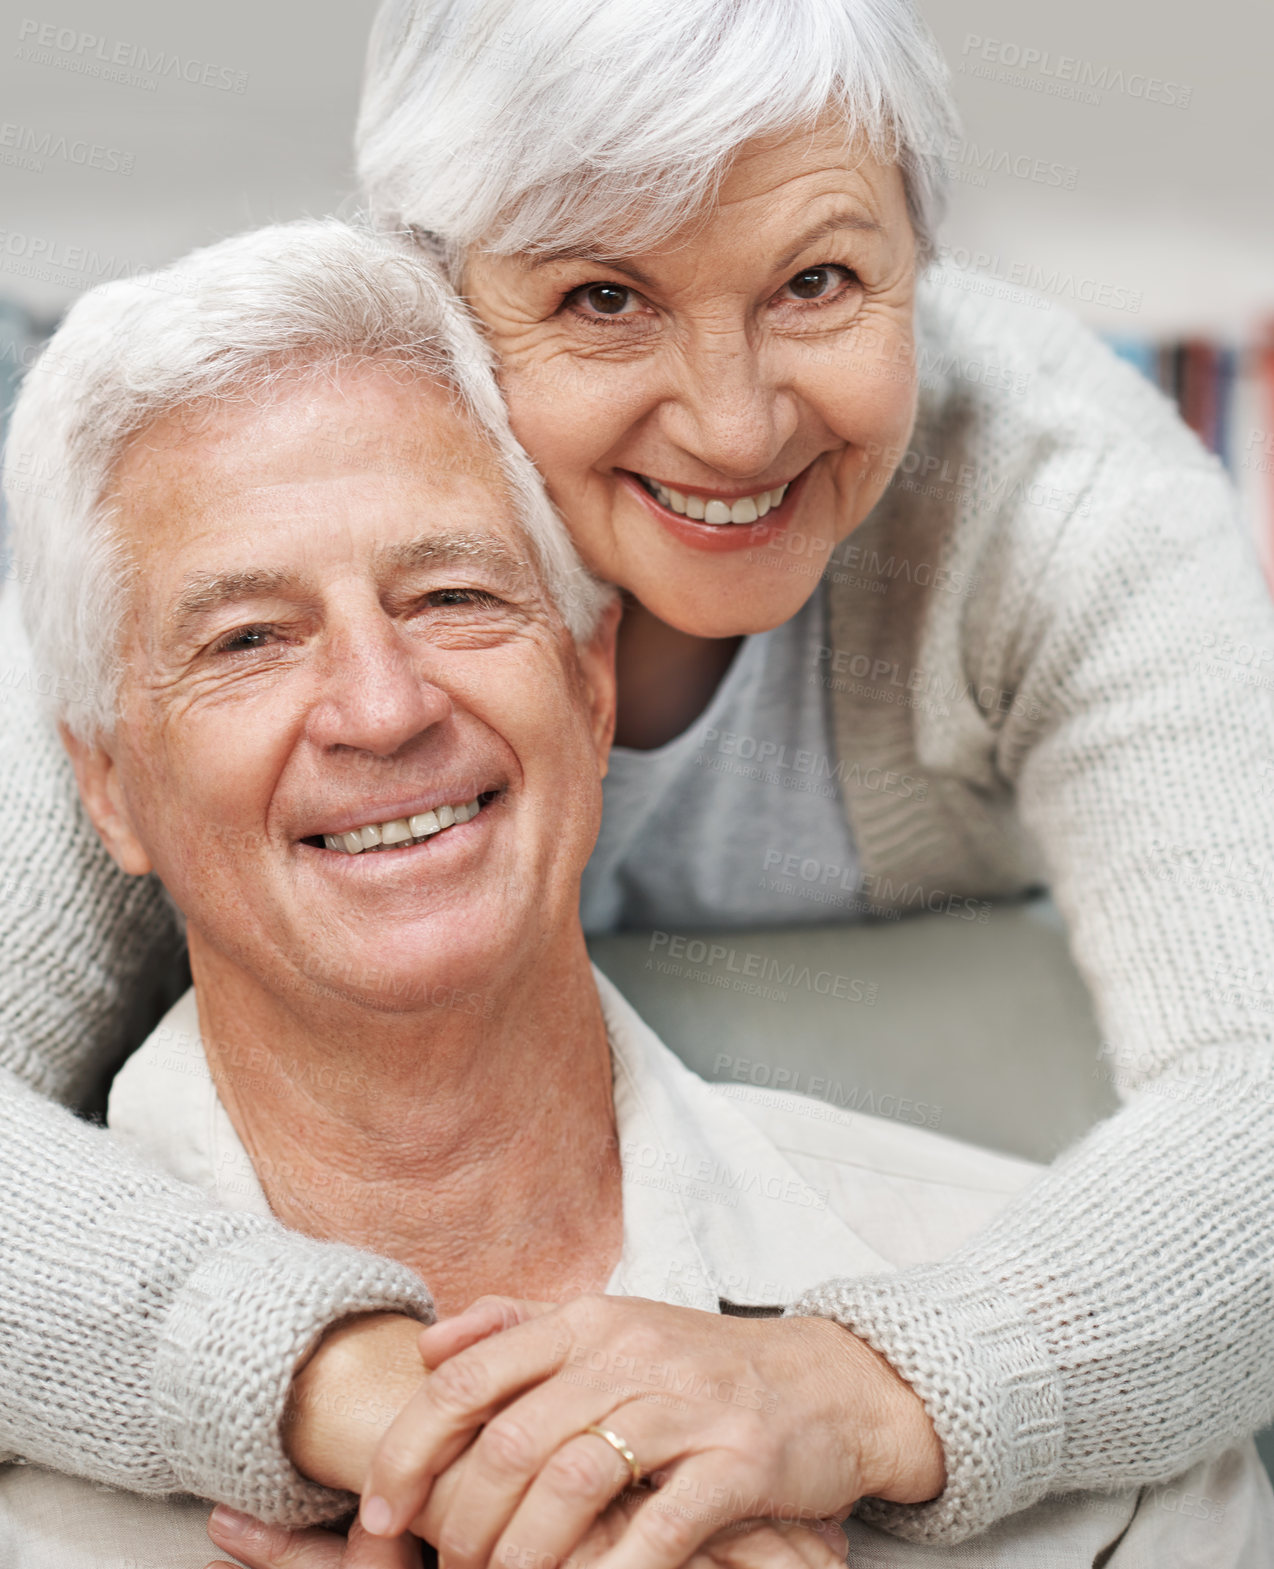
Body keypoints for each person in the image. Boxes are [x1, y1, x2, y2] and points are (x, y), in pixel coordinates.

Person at [0, 0, 1272, 1555]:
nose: (732, 424)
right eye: (605, 297)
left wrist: (853, 1384)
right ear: (439, 293)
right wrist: (414, 1420)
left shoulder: (1061, 504)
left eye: (817, 280)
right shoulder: (240, 492)